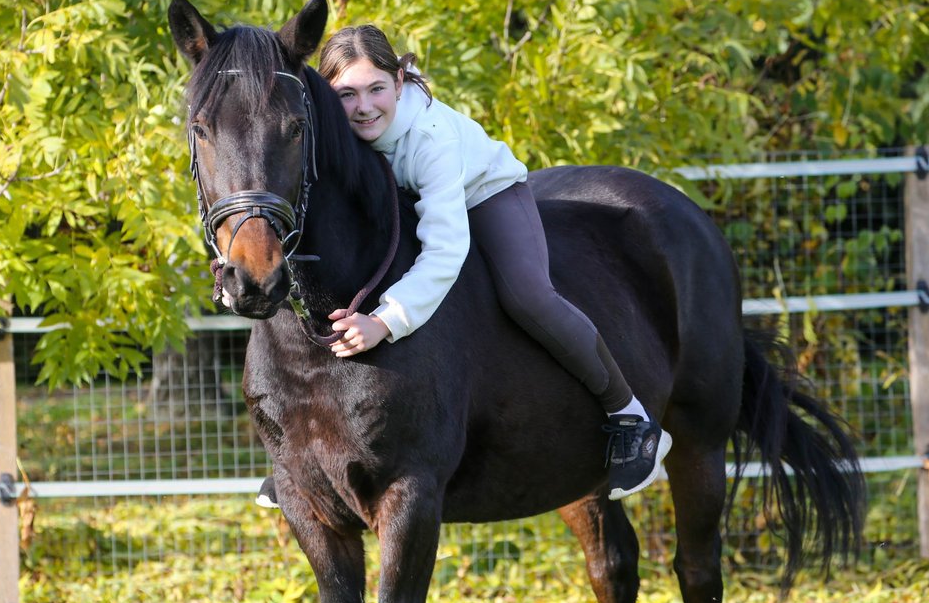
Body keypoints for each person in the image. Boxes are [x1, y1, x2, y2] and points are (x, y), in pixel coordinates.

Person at [257, 25, 670, 509]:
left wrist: (385, 321)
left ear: (399, 81)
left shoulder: (430, 138)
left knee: (527, 295)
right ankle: (301, 457)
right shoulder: (323, 126)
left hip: (485, 196)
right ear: (326, 94)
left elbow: (446, 249)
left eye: (376, 89)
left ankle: (630, 417)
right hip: (406, 202)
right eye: (347, 94)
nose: (365, 107)